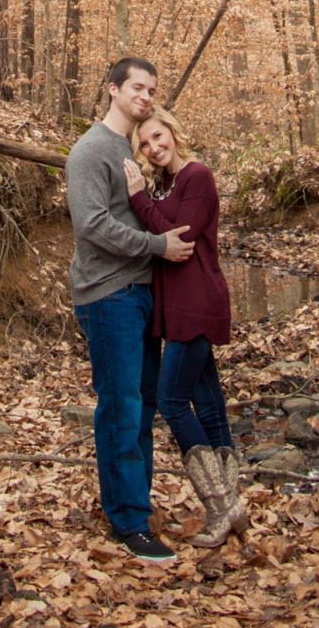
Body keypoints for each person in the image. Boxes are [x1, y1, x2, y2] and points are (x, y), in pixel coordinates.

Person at [66, 56, 194, 563]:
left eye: (152, 89)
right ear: (113, 89)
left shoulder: (134, 147)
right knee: (120, 406)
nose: (145, 96)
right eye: (137, 88)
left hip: (141, 295)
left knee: (141, 406)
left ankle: (134, 506)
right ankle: (128, 522)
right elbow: (92, 226)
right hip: (107, 295)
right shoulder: (90, 151)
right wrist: (157, 246)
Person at [125, 107, 246, 549]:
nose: (155, 148)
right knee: (208, 402)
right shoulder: (168, 183)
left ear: (172, 131)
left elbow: (180, 235)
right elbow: (162, 230)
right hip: (178, 305)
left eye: (158, 137)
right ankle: (231, 506)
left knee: (174, 404)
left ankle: (219, 505)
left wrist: (139, 199)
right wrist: (148, 198)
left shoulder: (198, 176)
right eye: (145, 145)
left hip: (197, 302)